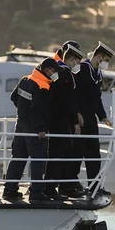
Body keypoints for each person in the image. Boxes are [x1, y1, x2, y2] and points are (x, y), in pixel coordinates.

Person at [3, 58, 60, 202]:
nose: (55, 74)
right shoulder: (43, 87)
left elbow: (13, 97)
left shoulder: (25, 79)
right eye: (54, 71)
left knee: (18, 159)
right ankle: (36, 193)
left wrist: (23, 112)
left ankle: (9, 191)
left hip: (20, 126)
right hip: (35, 130)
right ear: (47, 70)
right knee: (38, 161)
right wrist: (41, 129)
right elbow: (37, 110)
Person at [71, 41, 115, 196]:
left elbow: (97, 99)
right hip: (80, 118)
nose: (107, 64)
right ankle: (72, 184)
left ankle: (95, 186)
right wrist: (76, 113)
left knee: (94, 154)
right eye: (107, 60)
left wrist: (103, 117)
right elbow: (73, 93)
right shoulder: (83, 69)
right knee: (77, 152)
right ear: (100, 57)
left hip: (90, 120)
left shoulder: (97, 73)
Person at [45, 43, 84, 199]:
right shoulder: (64, 73)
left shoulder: (56, 71)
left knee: (58, 154)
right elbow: (66, 100)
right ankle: (54, 187)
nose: (78, 65)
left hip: (54, 119)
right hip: (60, 121)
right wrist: (75, 121)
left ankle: (58, 186)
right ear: (73, 60)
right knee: (60, 154)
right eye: (77, 62)